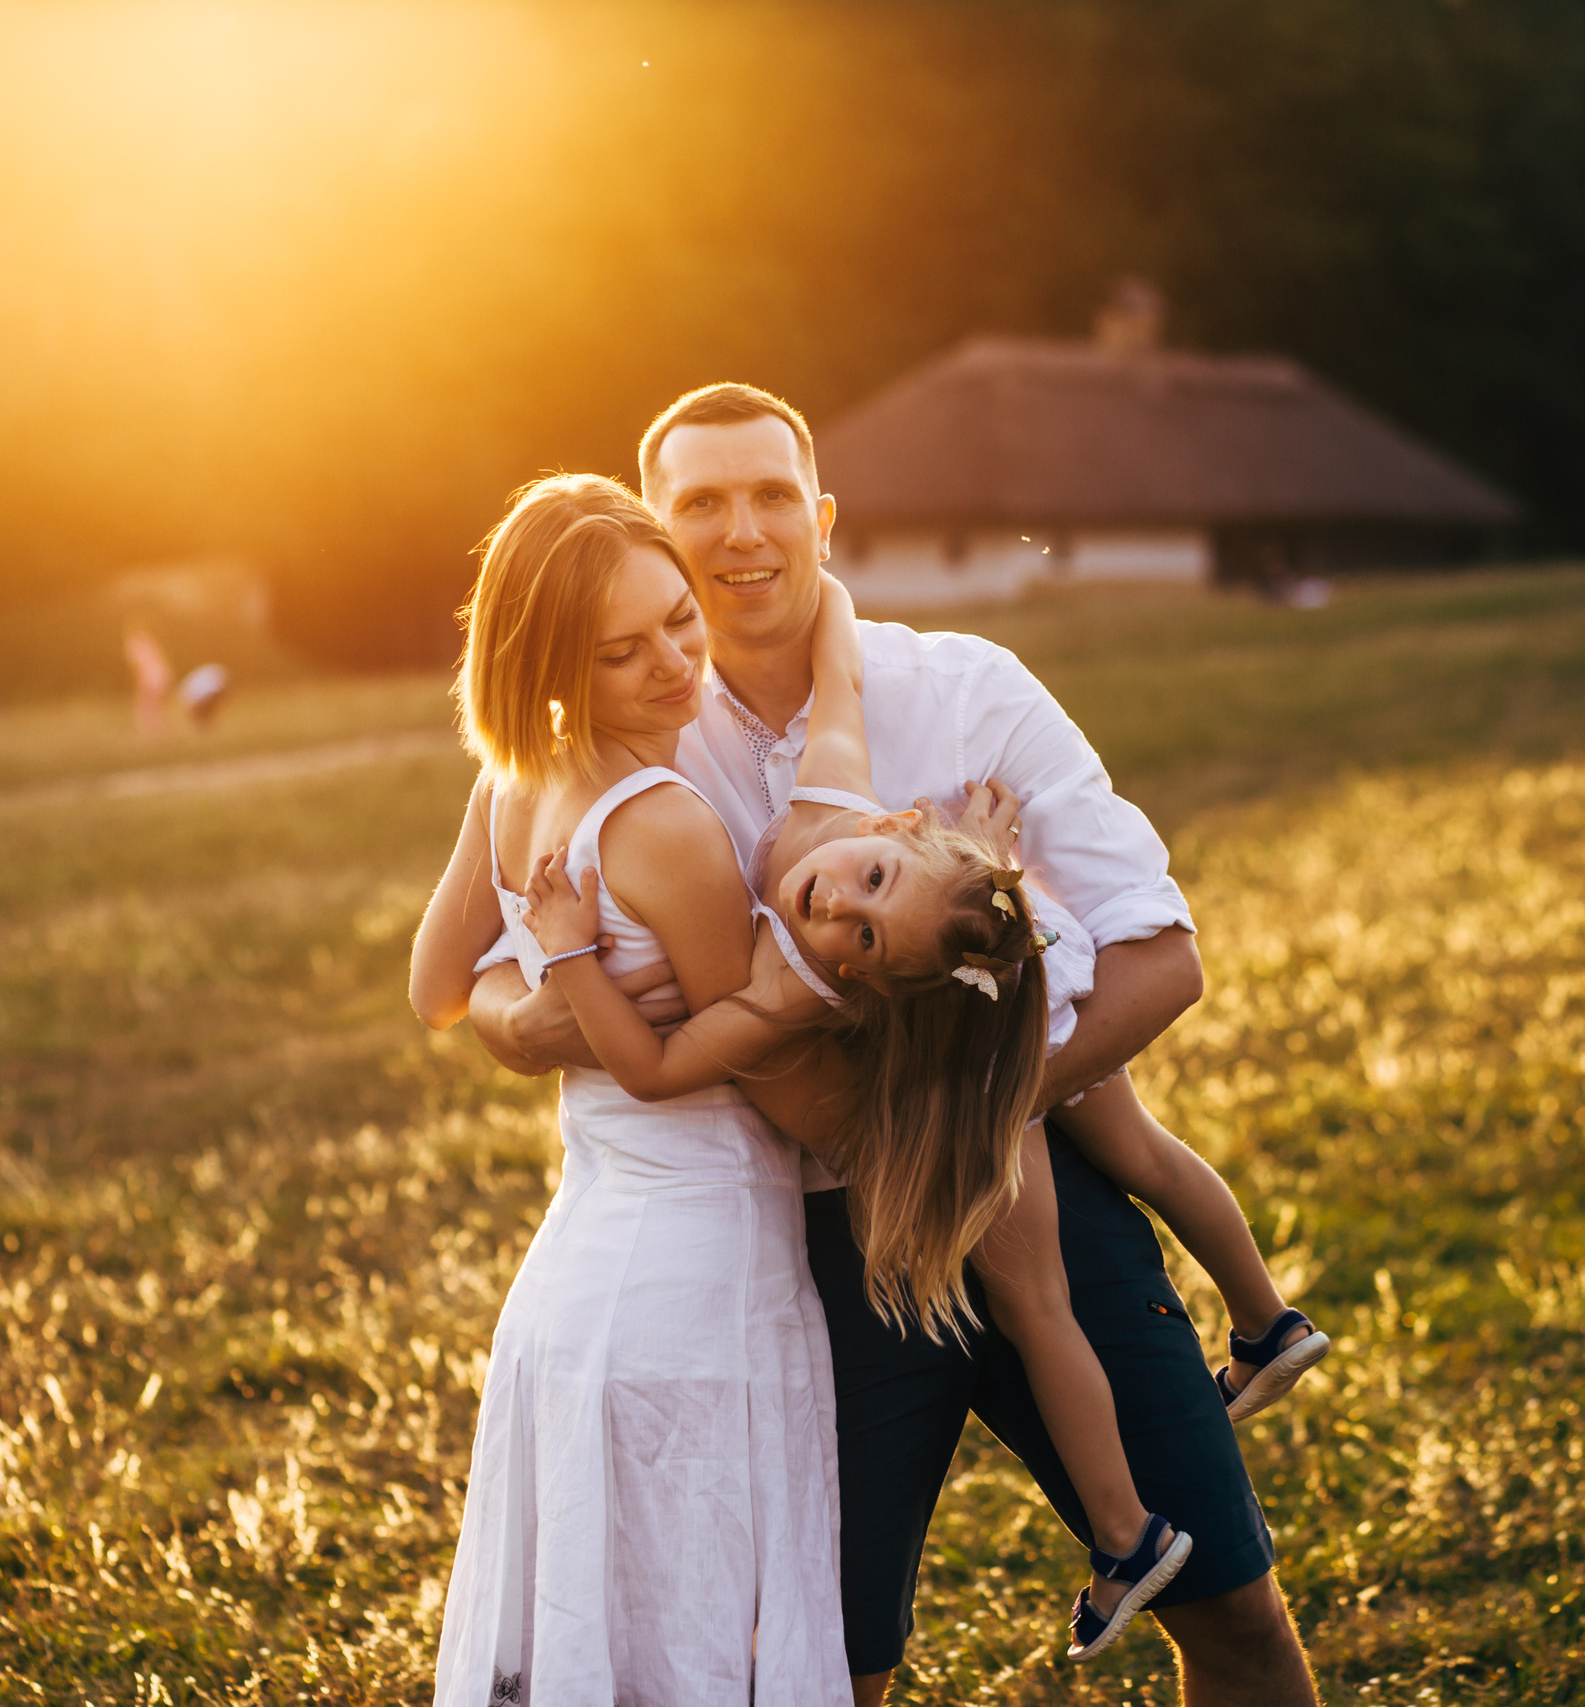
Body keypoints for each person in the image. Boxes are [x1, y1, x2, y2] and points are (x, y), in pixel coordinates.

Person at [464, 385, 1323, 1704]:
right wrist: (537, 1018)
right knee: (823, 1674)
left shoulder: (966, 686)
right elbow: (487, 983)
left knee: (1239, 1616)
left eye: (768, 495)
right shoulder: (621, 732)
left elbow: (1163, 954)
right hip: (800, 1258)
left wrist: (961, 1128)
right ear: (655, 536)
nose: (741, 532)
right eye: (699, 503)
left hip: (1030, 1190)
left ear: (820, 514)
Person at [407, 473, 848, 1705]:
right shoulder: (661, 825)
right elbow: (778, 1079)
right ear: (552, 667)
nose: (671, 665)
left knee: (593, 1638)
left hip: (572, 1284)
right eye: (620, 652)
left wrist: (542, 1018)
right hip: (697, 1290)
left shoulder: (514, 788)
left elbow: (437, 988)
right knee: (692, 1638)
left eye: (677, 619)